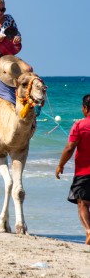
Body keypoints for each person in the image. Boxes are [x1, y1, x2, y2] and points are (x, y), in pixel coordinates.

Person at [55, 94, 90, 245]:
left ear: (85, 108)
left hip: (84, 171)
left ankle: (89, 231)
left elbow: (70, 148)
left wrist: (60, 165)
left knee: (82, 203)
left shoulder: (80, 125)